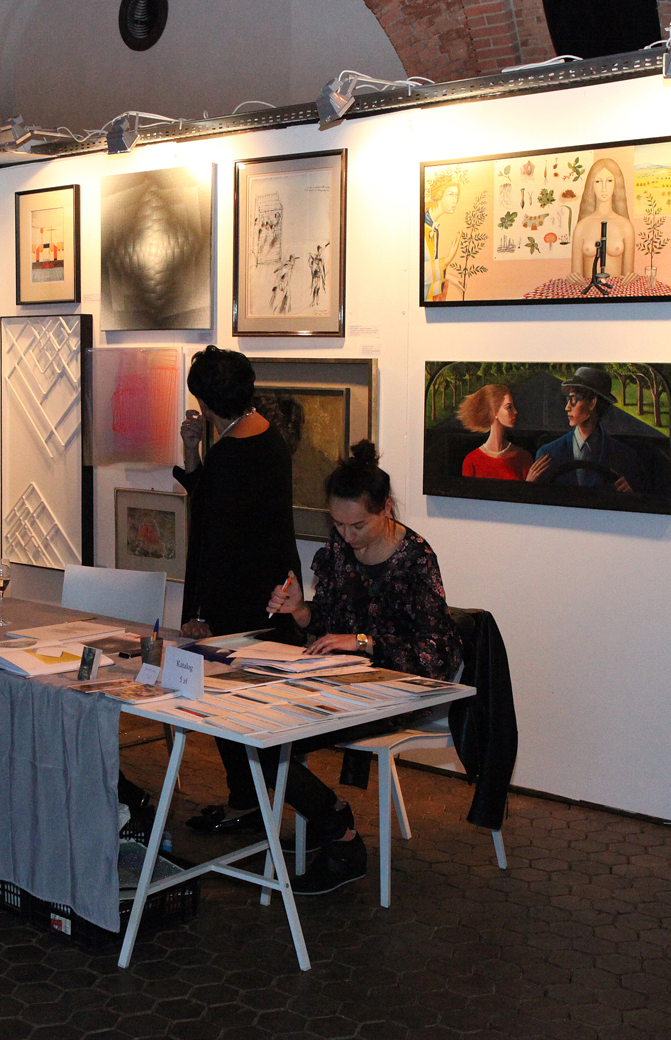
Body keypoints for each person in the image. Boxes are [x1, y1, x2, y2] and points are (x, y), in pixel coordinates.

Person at [215, 441, 462, 895]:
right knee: (248, 729)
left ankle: (341, 838)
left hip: (398, 689)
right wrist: (300, 610)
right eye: (339, 524)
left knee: (271, 741)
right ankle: (333, 821)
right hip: (339, 681)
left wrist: (364, 642)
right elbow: (327, 624)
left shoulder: (415, 559)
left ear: (385, 509)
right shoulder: (337, 551)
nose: (347, 535)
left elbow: (434, 654)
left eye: (358, 525)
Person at [174, 346, 301, 638]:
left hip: (235, 602)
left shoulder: (227, 454)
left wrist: (200, 614)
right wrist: (192, 451)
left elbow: (212, 539)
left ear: (204, 403)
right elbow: (209, 498)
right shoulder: (270, 435)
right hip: (273, 592)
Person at [527, 366, 645, 492]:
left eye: (573, 400)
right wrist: (529, 485)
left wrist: (630, 493)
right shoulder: (548, 454)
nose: (567, 407)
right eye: (568, 400)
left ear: (592, 403)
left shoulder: (625, 456)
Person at [566, 158, 635, 284]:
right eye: (598, 181)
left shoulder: (625, 226)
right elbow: (577, 276)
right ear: (591, 185)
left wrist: (632, 278)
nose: (604, 188)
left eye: (609, 181)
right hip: (588, 291)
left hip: (617, 292)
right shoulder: (582, 226)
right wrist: (573, 279)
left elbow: (628, 276)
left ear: (616, 183)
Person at [458, 384, 530, 480]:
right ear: (494, 412)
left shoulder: (523, 457)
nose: (515, 411)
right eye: (509, 407)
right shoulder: (472, 460)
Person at [422, 171, 463, 301]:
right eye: (450, 194)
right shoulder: (423, 227)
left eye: (456, 195)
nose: (455, 200)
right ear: (438, 195)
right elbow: (420, 273)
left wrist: (446, 276)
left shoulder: (433, 228)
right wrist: (448, 259)